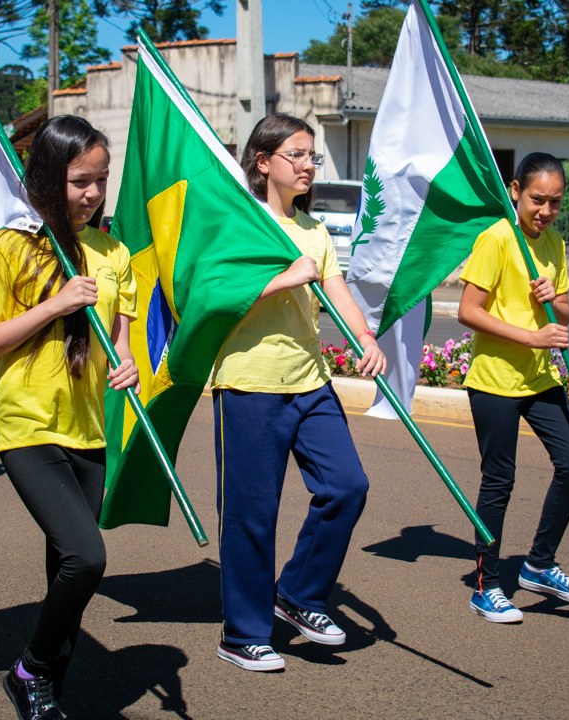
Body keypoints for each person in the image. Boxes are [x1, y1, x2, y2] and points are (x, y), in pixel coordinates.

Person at [0, 115, 139, 719]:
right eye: (81, 180)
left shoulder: (114, 252)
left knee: (67, 568)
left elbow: (121, 339)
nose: (93, 193)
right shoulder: (10, 246)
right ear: (49, 178)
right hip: (28, 426)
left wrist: (128, 365)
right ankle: (30, 668)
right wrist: (55, 304)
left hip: (89, 430)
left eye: (101, 180)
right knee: (89, 557)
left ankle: (46, 691)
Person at [212, 113, 386, 672]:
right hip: (249, 382)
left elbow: (337, 287)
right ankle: (242, 633)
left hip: (310, 381)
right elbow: (214, 293)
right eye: (297, 154)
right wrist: (286, 277)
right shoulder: (239, 223)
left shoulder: (314, 231)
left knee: (347, 486)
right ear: (263, 163)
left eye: (313, 155)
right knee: (252, 514)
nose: (309, 165)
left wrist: (364, 336)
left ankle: (299, 595)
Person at [457, 152, 569, 624]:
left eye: (555, 202)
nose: (546, 211)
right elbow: (468, 311)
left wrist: (553, 298)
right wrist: (533, 336)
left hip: (540, 377)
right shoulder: (496, 238)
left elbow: (567, 312)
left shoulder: (553, 242)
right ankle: (487, 585)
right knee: (500, 479)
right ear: (516, 191)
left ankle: (539, 564)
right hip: (495, 379)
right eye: (538, 199)